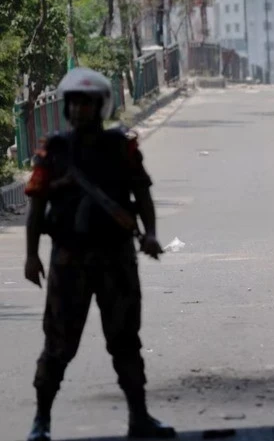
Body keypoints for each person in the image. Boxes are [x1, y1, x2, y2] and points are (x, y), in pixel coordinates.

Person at [23, 67, 175, 440]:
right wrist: (31, 256)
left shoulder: (121, 147)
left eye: (86, 104)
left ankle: (139, 418)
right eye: (73, 104)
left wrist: (151, 234)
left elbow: (142, 194)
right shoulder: (54, 150)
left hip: (116, 258)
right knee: (58, 345)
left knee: (125, 340)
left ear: (100, 107)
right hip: (68, 260)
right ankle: (41, 422)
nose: (79, 111)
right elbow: (36, 206)